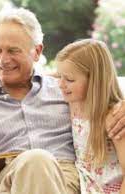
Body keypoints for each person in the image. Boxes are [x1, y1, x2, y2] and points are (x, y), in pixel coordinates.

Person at [0, 8, 125, 194]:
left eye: (13, 50)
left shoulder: (65, 90)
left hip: (64, 178)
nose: (3, 60)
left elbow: (102, 90)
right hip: (6, 180)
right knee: (36, 160)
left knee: (39, 162)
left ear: (37, 51)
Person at [56, 39, 125, 193]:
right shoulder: (74, 103)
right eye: (60, 76)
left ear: (94, 81)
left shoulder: (114, 117)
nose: (60, 84)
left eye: (69, 79)